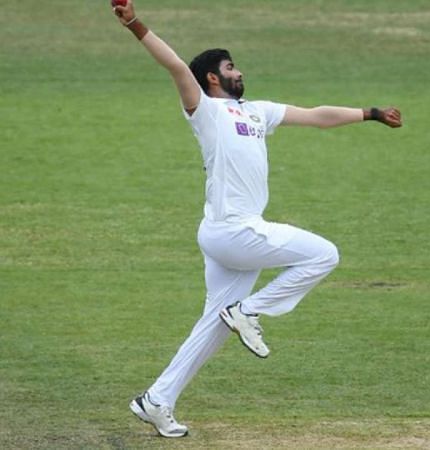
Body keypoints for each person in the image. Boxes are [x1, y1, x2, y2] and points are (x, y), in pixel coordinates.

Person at [111, 0, 402, 438]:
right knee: (325, 254)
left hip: (229, 235)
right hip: (233, 229)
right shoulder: (203, 109)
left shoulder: (257, 111)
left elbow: (317, 116)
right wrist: (134, 23)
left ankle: (157, 399)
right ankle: (248, 310)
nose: (239, 71)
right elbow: (174, 65)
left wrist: (370, 113)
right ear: (213, 77)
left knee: (213, 325)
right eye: (231, 66)